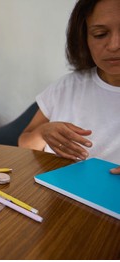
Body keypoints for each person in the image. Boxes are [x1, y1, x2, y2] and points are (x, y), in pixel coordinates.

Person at [18, 0, 120, 174]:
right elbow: (24, 142)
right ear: (84, 39)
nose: (114, 45)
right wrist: (43, 133)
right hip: (56, 192)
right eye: (100, 34)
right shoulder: (67, 87)